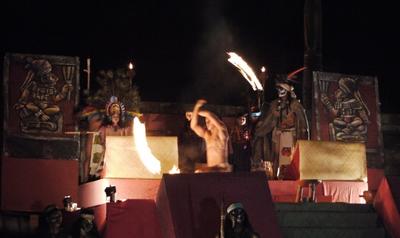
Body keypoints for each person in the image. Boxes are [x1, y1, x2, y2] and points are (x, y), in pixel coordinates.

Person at [252, 74, 309, 178]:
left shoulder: (295, 104)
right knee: (276, 157)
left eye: (282, 89)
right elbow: (268, 120)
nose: (279, 91)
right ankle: (277, 176)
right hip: (277, 135)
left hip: (290, 135)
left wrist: (304, 136)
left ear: (287, 90)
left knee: (287, 157)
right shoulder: (274, 104)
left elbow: (303, 122)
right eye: (278, 89)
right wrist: (260, 128)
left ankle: (288, 175)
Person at [320, 77, 370, 142]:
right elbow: (335, 113)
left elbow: (362, 113)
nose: (337, 91)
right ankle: (349, 129)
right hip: (343, 121)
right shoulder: (339, 102)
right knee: (335, 121)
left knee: (359, 121)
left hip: (353, 119)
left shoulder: (354, 102)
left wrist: (365, 120)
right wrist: (327, 103)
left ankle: (349, 129)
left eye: (340, 89)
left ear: (345, 91)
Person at [190, 99, 232, 172]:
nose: (207, 123)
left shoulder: (222, 131)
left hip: (222, 169)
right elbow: (193, 126)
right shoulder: (207, 135)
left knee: (199, 172)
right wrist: (195, 109)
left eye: (209, 121)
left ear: (215, 120)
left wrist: (196, 111)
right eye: (206, 121)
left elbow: (209, 114)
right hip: (211, 169)